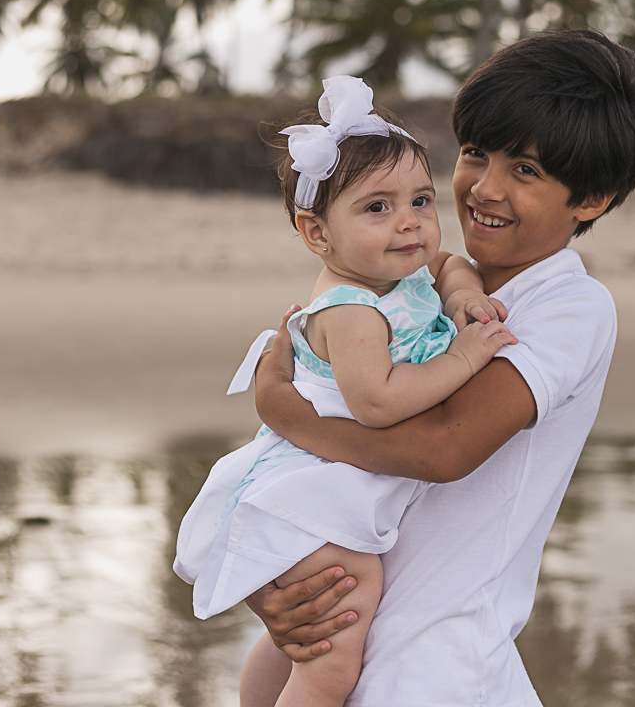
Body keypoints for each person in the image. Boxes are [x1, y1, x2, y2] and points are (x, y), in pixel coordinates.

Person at [245, 29, 635, 706]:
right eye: (475, 154)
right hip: (349, 652)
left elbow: (444, 448)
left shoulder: (568, 306)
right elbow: (324, 479)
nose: (484, 189)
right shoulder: (406, 286)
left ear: (592, 199)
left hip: (437, 667)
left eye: (525, 171)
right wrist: (280, 587)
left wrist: (288, 417)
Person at [173, 75, 516, 707]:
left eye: (420, 200)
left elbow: (448, 264)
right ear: (317, 234)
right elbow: (379, 401)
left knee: (292, 644)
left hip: (327, 479)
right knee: (336, 645)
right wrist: (466, 357)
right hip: (316, 493)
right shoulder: (352, 310)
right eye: (377, 208)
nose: (410, 224)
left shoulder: (401, 271)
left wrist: (464, 292)